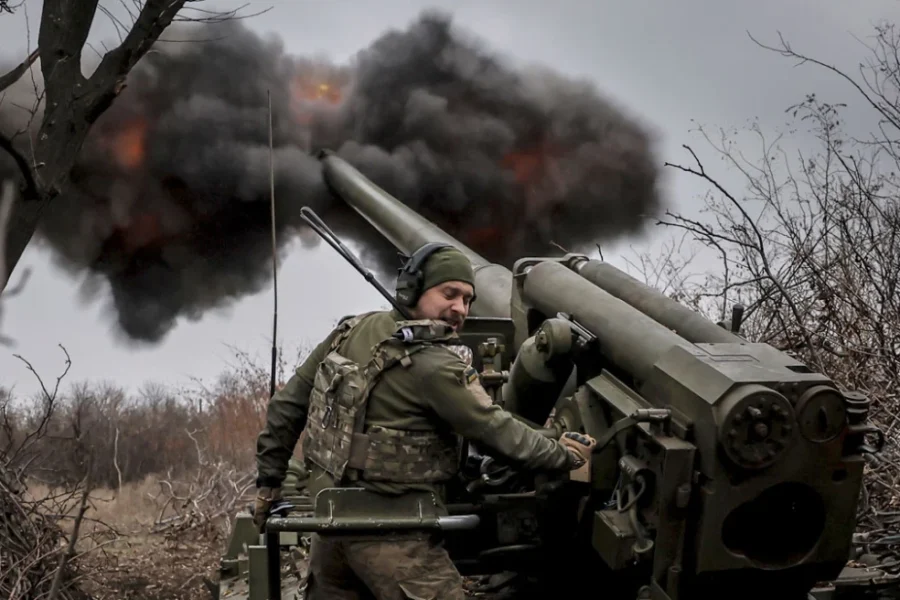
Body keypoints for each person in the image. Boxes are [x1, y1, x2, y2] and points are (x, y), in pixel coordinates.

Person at [254, 242, 595, 600]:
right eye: (450, 294)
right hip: (397, 538)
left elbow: (286, 407)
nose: (459, 308)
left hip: (331, 529)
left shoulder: (349, 331)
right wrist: (564, 455)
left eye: (467, 300)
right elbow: (499, 433)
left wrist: (269, 486)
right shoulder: (436, 365)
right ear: (412, 289)